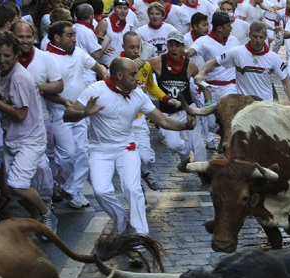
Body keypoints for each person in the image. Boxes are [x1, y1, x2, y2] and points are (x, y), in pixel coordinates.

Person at [64, 58, 195, 238]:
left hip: (127, 148)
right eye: (133, 74)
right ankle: (122, 224)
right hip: (99, 150)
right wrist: (84, 113)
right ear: (119, 76)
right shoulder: (95, 91)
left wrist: (185, 126)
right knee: (101, 192)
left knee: (133, 189)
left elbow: (162, 120)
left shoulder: (138, 95)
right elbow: (67, 115)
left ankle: (140, 237)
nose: (138, 79)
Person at [0, 31, 57, 229]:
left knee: (18, 184)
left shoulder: (19, 79)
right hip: (13, 137)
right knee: (11, 187)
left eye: (7, 56)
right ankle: (36, 220)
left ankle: (46, 213)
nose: (2, 59)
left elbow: (20, 114)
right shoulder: (1, 73)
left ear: (16, 56)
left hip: (30, 139)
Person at [45, 20, 107, 209]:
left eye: (74, 34)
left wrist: (103, 72)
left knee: (81, 153)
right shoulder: (47, 58)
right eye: (69, 35)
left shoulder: (79, 53)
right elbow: (46, 90)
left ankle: (73, 191)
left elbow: (96, 66)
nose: (74, 38)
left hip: (80, 111)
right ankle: (62, 184)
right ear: (57, 38)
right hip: (59, 112)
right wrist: (62, 102)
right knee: (66, 155)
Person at [11, 19, 63, 205]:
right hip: (11, 124)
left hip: (41, 120)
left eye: (28, 37)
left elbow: (58, 84)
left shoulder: (45, 58)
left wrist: (37, 86)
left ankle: (45, 199)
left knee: (44, 164)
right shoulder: (6, 59)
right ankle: (29, 199)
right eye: (20, 37)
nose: (25, 41)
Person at [150, 30, 209, 176]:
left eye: (177, 45)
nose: (173, 49)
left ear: (183, 48)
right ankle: (185, 157)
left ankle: (205, 173)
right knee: (172, 144)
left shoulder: (190, 65)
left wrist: (208, 101)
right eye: (170, 45)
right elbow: (139, 70)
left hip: (188, 109)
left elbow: (203, 84)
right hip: (167, 113)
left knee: (198, 144)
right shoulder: (157, 62)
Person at [197, 21, 290, 100]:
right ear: (249, 35)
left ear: (265, 37)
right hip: (244, 105)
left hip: (266, 105)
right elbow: (214, 62)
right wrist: (201, 73)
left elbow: (286, 81)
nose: (258, 40)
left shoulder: (274, 57)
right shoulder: (237, 52)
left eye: (261, 37)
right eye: (255, 36)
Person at [120, 31, 168, 191]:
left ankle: (145, 172)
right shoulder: (116, 64)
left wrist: (165, 98)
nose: (135, 51)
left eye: (137, 47)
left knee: (147, 158)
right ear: (123, 47)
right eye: (131, 47)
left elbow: (150, 86)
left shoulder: (146, 65)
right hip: (122, 120)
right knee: (130, 159)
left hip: (139, 118)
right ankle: (136, 189)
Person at [187, 12, 239, 148]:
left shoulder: (234, 41)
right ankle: (224, 134)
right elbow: (192, 51)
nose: (231, 28)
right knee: (211, 125)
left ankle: (229, 142)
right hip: (209, 89)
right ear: (220, 28)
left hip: (230, 86)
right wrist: (184, 52)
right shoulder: (204, 41)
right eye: (228, 26)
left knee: (229, 116)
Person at [96, 0, 134, 66]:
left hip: (121, 67)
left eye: (125, 8)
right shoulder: (105, 23)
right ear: (114, 9)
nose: (122, 11)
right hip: (104, 66)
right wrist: (102, 49)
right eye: (119, 8)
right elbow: (94, 46)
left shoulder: (127, 27)